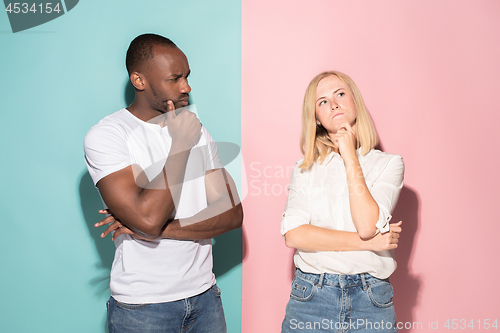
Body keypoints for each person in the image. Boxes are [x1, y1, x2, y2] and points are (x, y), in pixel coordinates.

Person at [84, 33, 243, 333]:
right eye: (175, 78)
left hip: (206, 298)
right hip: (143, 309)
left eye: (187, 76)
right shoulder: (108, 136)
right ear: (139, 80)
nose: (187, 87)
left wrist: (153, 230)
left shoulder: (197, 130)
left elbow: (233, 215)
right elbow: (148, 217)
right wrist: (181, 145)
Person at [280, 71, 404, 332]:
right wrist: (366, 243)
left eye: (340, 94)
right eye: (322, 101)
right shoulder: (305, 168)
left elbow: (367, 225)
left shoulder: (389, 164)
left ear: (354, 100)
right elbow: (294, 235)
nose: (333, 104)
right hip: (311, 297)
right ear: (316, 118)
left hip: (371, 299)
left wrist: (350, 156)